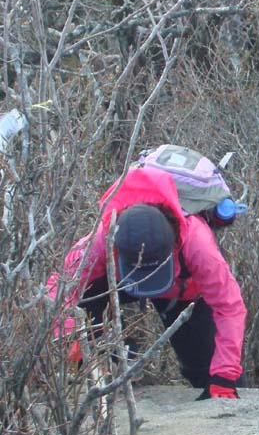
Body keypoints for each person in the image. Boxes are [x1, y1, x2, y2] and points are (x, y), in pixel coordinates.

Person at [47, 160, 247, 400]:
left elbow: (229, 305)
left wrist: (224, 376)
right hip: (122, 281)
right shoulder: (103, 239)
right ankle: (96, 366)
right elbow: (59, 288)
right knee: (84, 297)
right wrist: (74, 340)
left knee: (206, 370)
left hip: (183, 291)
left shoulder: (196, 242)